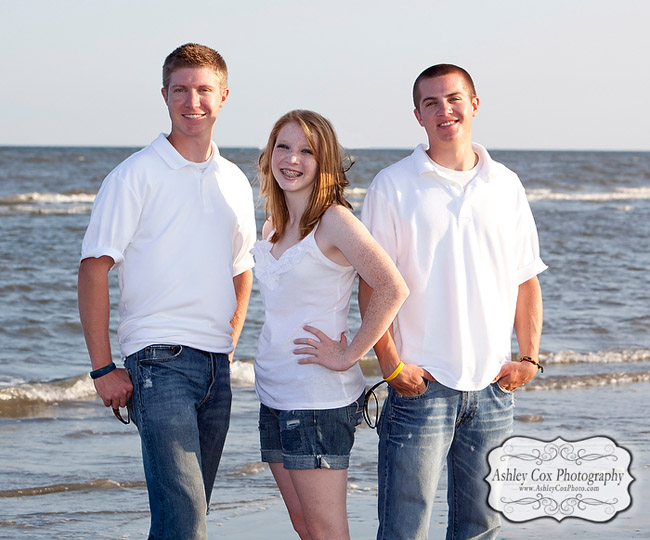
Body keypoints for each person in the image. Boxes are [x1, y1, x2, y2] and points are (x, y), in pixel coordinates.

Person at [359, 64, 547, 539]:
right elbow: (371, 285)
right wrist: (390, 364)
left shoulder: (506, 185)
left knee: (482, 525)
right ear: (418, 115)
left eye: (454, 98)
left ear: (475, 104)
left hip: (493, 388)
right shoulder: (393, 185)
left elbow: (526, 281)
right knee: (404, 527)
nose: (445, 110)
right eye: (432, 103)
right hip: (419, 385)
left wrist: (529, 358)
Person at [77, 43, 256, 540]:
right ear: (164, 95)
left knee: (190, 518)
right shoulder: (135, 175)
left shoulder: (235, 181)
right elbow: (93, 269)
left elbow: (242, 266)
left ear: (223, 96)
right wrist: (103, 368)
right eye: (180, 90)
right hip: (157, 362)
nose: (192, 101)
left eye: (203, 90)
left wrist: (234, 331)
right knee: (183, 521)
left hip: (218, 367)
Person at [252, 110, 408, 540]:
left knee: (326, 532)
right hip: (273, 393)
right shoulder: (272, 227)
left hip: (317, 399)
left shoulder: (334, 221)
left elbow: (392, 287)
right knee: (305, 528)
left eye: (307, 151)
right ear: (269, 154)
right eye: (283, 146)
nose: (292, 159)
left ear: (324, 163)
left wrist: (348, 353)